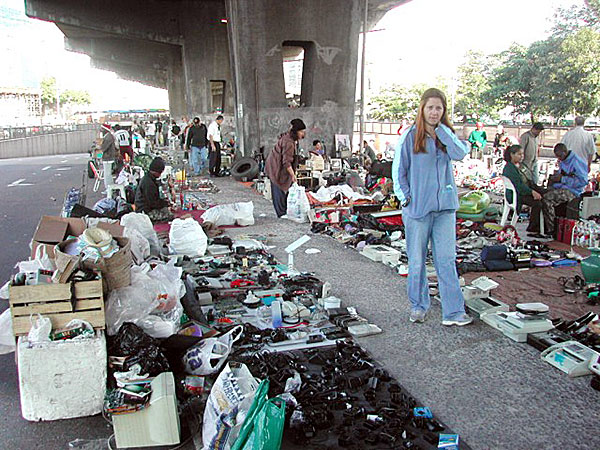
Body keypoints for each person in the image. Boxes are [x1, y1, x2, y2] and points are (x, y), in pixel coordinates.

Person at [392, 88, 472, 326]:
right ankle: (418, 305)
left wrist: (443, 133)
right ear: (422, 109)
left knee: (446, 260)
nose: (435, 112)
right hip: (418, 209)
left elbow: (460, 154)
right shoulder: (411, 136)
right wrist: (406, 198)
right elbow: (399, 171)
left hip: (445, 209)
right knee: (417, 262)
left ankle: (454, 312)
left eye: (439, 108)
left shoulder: (446, 135)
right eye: (430, 107)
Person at [541, 143, 588, 236]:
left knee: (547, 199)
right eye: (557, 156)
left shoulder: (576, 162)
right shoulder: (563, 161)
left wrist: (562, 179)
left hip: (574, 191)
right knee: (541, 193)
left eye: (559, 156)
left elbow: (582, 182)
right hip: (563, 187)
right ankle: (540, 228)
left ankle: (552, 230)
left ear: (565, 152)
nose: (559, 158)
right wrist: (554, 182)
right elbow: (561, 176)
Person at [265, 118, 306, 217]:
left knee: (285, 187)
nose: (303, 134)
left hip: (278, 165)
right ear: (296, 132)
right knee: (278, 186)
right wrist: (293, 175)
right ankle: (281, 213)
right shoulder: (288, 142)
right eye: (301, 131)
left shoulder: (291, 139)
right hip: (275, 166)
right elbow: (286, 162)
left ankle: (285, 210)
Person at [502, 145, 544, 234]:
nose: (522, 156)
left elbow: (528, 180)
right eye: (519, 154)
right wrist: (532, 192)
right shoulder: (509, 168)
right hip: (517, 195)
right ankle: (533, 227)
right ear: (512, 155)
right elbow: (519, 186)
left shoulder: (520, 166)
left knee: (546, 195)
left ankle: (543, 227)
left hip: (523, 191)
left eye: (522, 154)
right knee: (538, 203)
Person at [134, 157, 174, 223]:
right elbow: (153, 203)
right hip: (144, 211)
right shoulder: (149, 183)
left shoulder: (149, 179)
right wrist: (165, 203)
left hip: (147, 208)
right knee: (169, 216)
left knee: (167, 211)